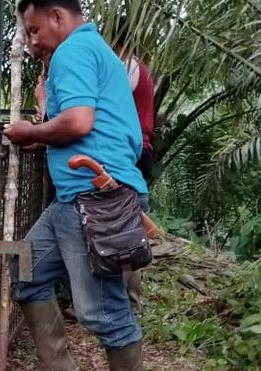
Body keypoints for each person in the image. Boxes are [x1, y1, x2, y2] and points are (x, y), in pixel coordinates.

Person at [4, 0, 148, 371]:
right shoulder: (94, 49)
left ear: (57, 17)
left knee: (100, 306)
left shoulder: (72, 50)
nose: (32, 42)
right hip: (77, 195)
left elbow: (80, 122)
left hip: (94, 196)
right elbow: (89, 126)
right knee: (26, 267)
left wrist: (29, 130)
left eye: (33, 31)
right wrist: (41, 138)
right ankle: (57, 369)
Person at [112, 18, 157, 314]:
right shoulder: (137, 66)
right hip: (139, 149)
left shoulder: (125, 67)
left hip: (133, 150)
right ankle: (128, 303)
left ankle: (127, 303)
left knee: (123, 228)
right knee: (127, 228)